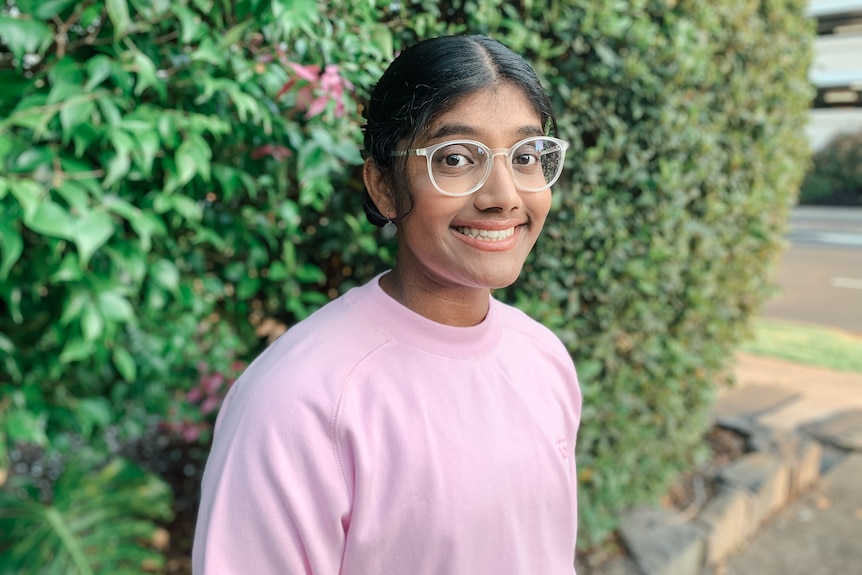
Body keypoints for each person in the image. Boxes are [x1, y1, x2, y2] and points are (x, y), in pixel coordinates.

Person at [192, 34, 582, 574]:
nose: (503, 196)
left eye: (527, 155)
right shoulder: (299, 403)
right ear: (382, 186)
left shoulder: (544, 359)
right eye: (454, 158)